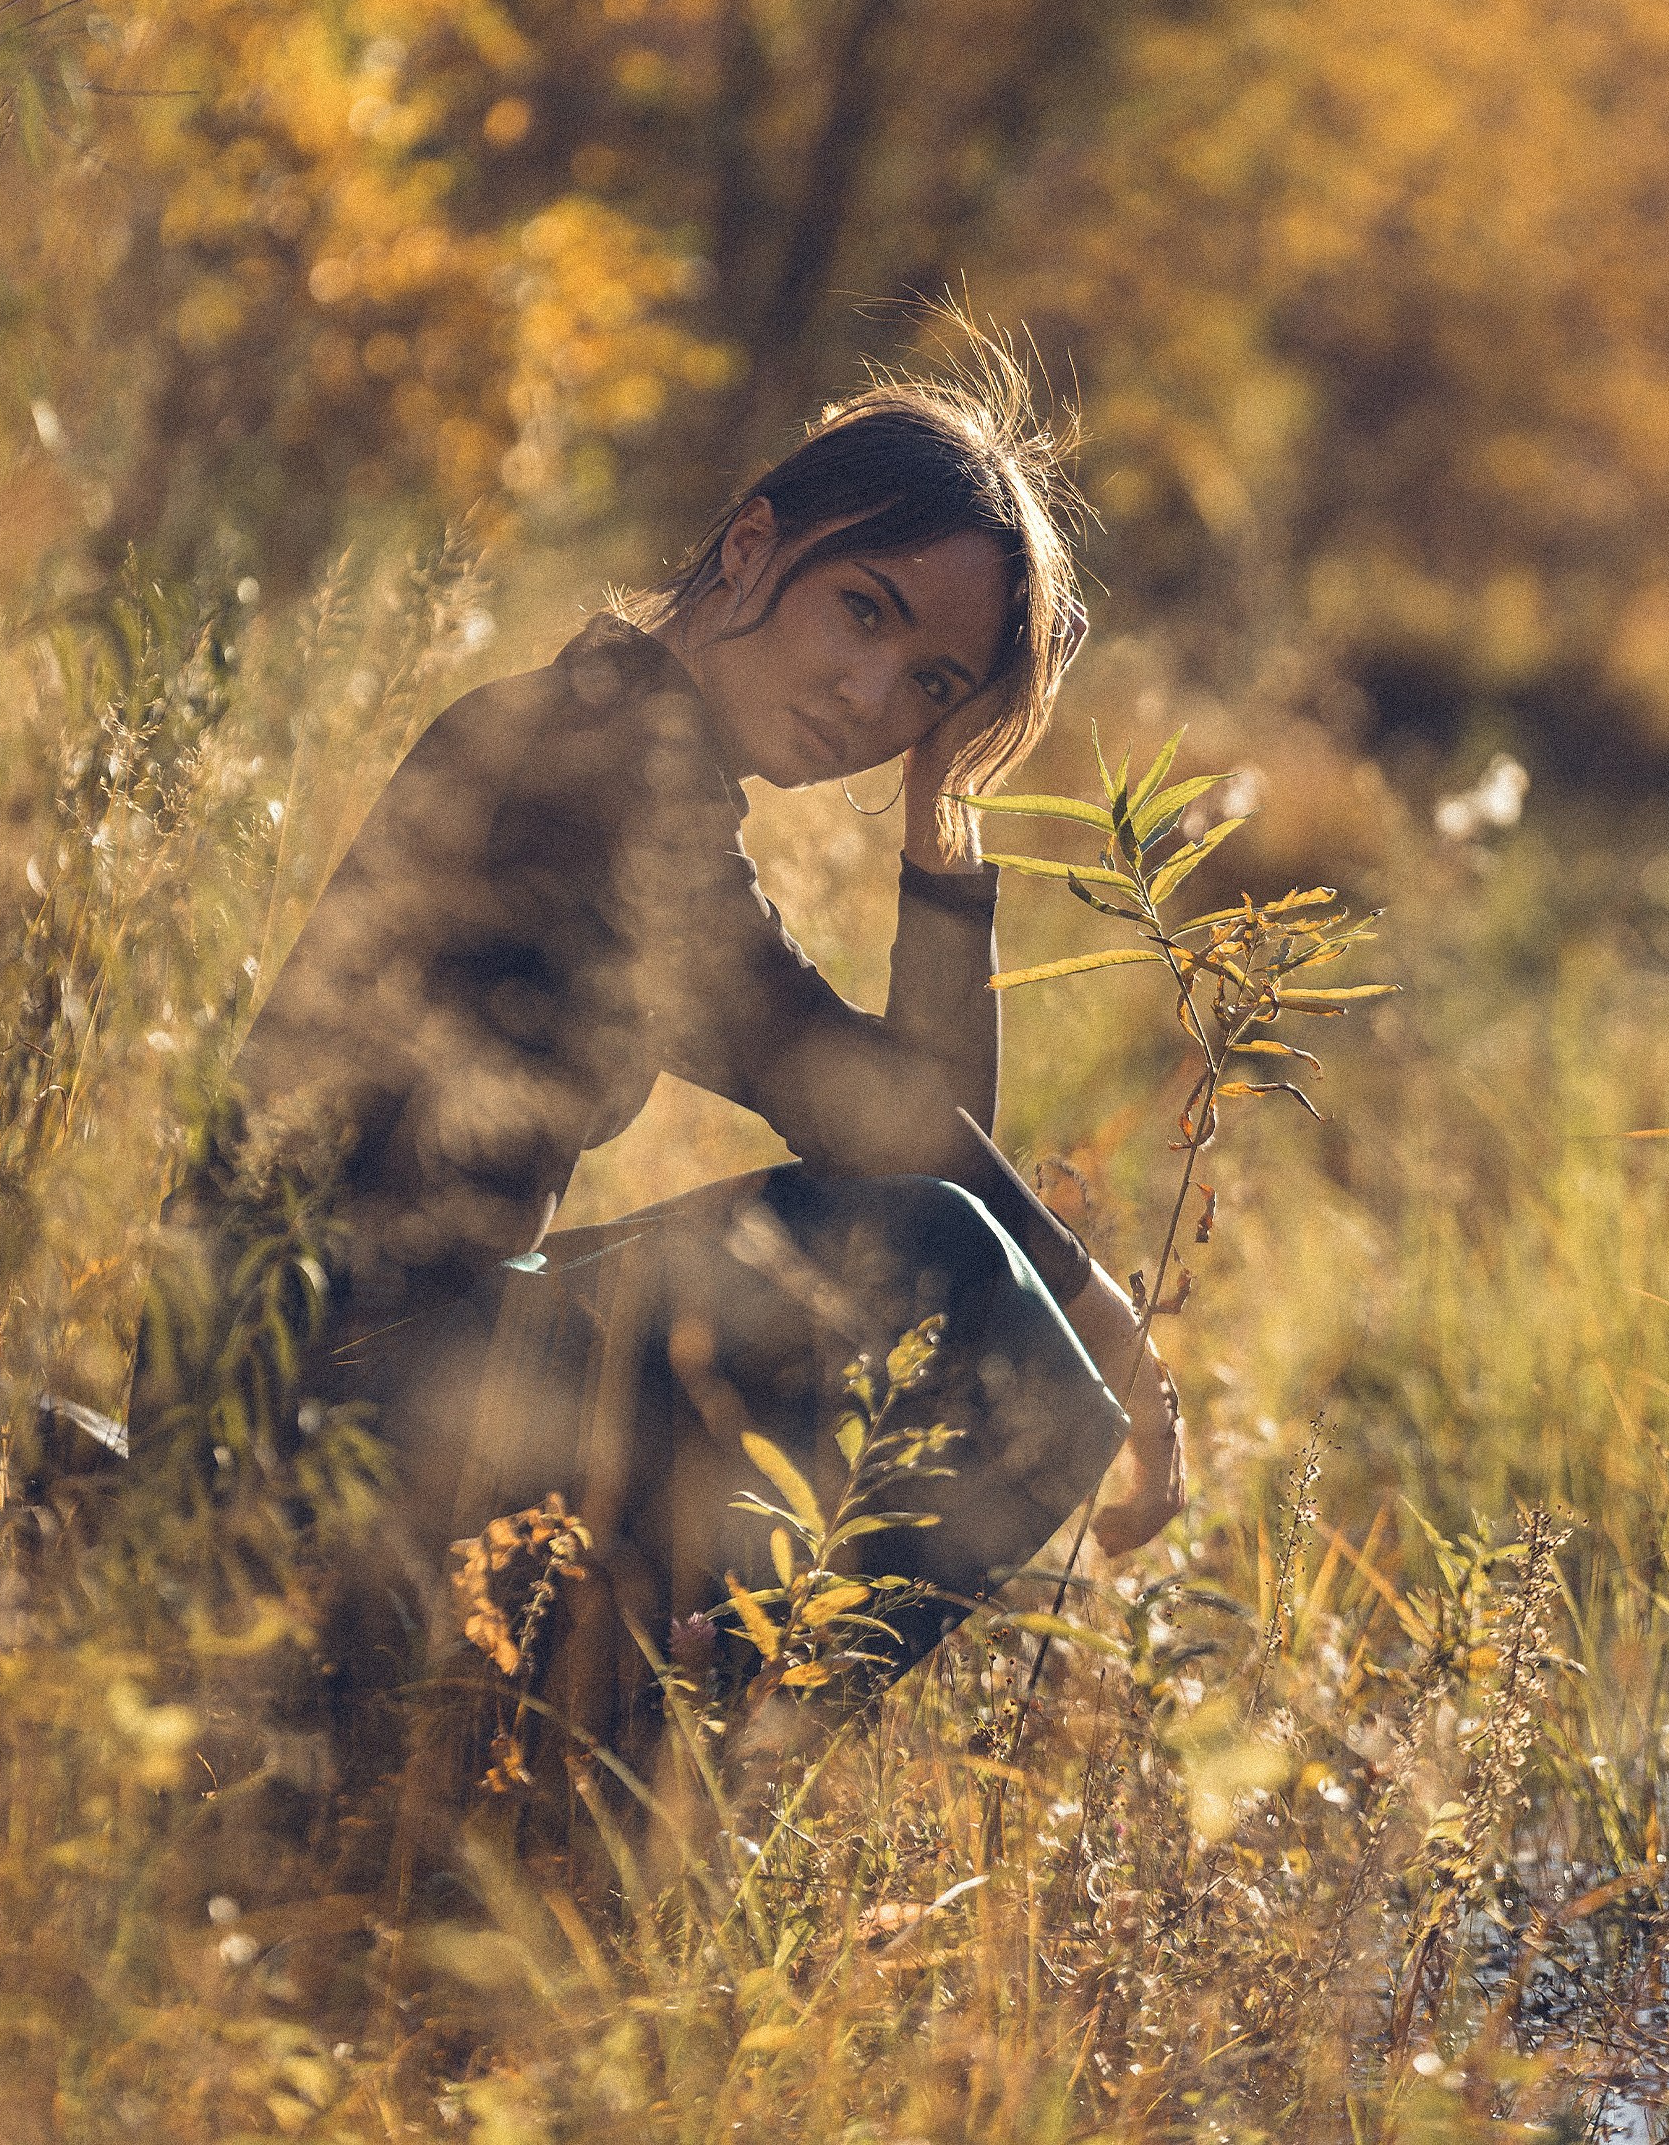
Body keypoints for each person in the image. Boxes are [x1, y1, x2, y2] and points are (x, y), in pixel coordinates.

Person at [127, 366, 1185, 1752]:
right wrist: (1110, 1325)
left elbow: (920, 1140)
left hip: (358, 1388)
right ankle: (627, 1776)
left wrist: (945, 821)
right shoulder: (602, 768)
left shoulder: (619, 736)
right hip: (298, 1422)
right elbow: (894, 1142)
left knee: (960, 1277)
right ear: (750, 550)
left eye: (931, 685)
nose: (872, 695)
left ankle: (593, 1753)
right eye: (863, 611)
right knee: (986, 1305)